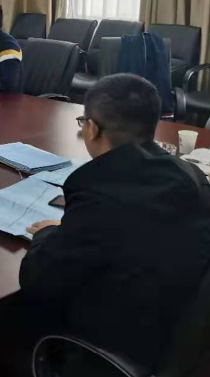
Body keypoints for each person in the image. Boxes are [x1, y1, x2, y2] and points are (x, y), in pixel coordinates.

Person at [20, 74, 210, 375]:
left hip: (115, 354)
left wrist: (48, 233)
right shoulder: (191, 176)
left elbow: (37, 280)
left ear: (93, 129)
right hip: (176, 342)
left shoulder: (96, 191)